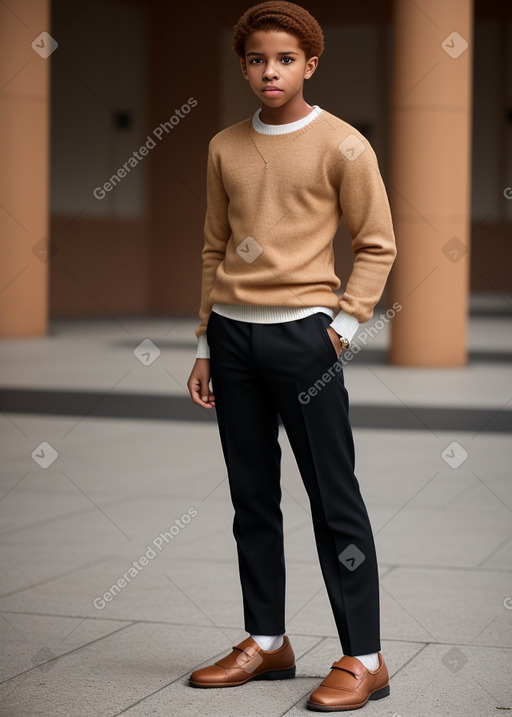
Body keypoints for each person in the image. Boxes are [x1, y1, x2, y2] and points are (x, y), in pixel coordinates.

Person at [186, 1, 396, 710]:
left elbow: (377, 243)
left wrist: (339, 328)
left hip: (306, 336)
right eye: (255, 58)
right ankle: (267, 638)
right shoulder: (223, 146)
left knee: (335, 499)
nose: (269, 70)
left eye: (284, 58)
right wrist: (205, 343)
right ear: (242, 64)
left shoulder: (343, 145)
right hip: (233, 338)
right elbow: (215, 246)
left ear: (310, 63)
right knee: (252, 499)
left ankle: (364, 654)